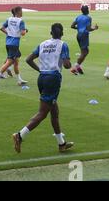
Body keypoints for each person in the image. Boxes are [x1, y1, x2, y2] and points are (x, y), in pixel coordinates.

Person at [12, 23, 74, 153]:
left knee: (54, 111)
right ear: (62, 33)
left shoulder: (43, 44)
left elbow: (29, 59)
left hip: (42, 78)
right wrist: (68, 62)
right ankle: (20, 135)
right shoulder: (63, 45)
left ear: (50, 33)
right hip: (53, 79)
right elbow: (67, 65)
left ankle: (61, 143)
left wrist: (40, 70)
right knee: (43, 113)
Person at [0, 6, 28, 88]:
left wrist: (8, 33)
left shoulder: (9, 19)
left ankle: (19, 80)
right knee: (9, 61)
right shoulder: (21, 21)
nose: (22, 13)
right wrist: (26, 30)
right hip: (15, 43)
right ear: (18, 12)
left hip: (8, 42)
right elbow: (23, 33)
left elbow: (1, 28)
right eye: (21, 11)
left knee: (17, 60)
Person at [70, 5, 98, 75]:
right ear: (87, 10)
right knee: (84, 52)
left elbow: (72, 26)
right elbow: (88, 29)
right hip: (84, 35)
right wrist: (94, 28)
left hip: (78, 35)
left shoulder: (78, 17)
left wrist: (79, 28)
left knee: (84, 51)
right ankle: (75, 67)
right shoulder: (88, 18)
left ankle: (78, 67)